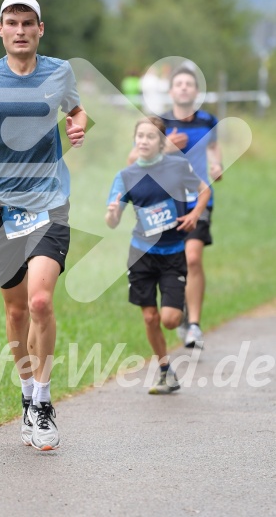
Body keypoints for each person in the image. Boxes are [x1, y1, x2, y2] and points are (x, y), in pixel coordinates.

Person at [0, 0, 87, 450]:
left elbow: (75, 108)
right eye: (13, 22)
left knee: (41, 301)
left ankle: (45, 402)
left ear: (40, 29)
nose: (21, 30)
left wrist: (77, 124)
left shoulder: (59, 72)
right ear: (1, 29)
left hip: (49, 201)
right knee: (15, 310)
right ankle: (27, 396)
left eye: (29, 22)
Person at [106, 117, 210, 394]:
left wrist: (195, 214)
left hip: (173, 252)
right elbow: (111, 221)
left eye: (150, 137)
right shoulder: (126, 176)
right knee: (151, 318)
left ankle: (183, 312)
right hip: (141, 254)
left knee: (170, 320)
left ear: (161, 142)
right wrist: (113, 211)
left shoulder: (177, 167)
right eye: (139, 136)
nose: (143, 141)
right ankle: (165, 370)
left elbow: (204, 191)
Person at [127, 66, 222, 349]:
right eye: (178, 83)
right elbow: (133, 159)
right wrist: (166, 147)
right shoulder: (160, 122)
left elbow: (215, 151)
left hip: (198, 199)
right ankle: (177, 308)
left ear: (196, 91)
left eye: (189, 84)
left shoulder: (208, 121)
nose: (183, 88)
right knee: (174, 260)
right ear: (170, 91)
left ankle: (193, 324)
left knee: (193, 258)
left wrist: (217, 164)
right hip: (165, 204)